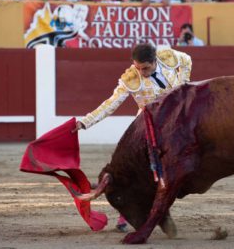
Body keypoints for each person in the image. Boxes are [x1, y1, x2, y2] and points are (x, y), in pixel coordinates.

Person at [72, 43, 192, 231]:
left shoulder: (168, 57)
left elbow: (187, 61)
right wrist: (85, 122)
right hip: (146, 125)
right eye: (138, 68)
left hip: (174, 120)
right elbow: (110, 104)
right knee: (136, 171)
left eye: (145, 68)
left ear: (155, 61)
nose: (141, 72)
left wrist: (181, 86)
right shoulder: (130, 78)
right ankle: (126, 215)